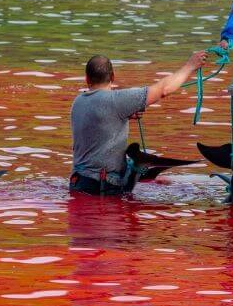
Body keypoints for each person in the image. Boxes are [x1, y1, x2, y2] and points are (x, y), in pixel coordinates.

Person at [69, 51, 207, 197]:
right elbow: (164, 89)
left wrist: (125, 116)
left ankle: (150, 178)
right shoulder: (116, 100)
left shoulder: (78, 102)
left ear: (86, 79)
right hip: (103, 187)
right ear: (113, 77)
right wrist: (190, 66)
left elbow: (98, 123)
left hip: (78, 182)